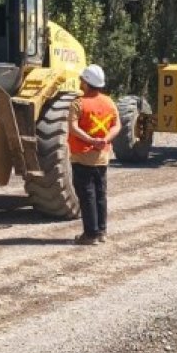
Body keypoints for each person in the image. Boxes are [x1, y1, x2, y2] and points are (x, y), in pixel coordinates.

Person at [68, 64, 121, 245]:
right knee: (100, 194)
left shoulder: (78, 103)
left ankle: (90, 235)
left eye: (82, 79)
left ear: (87, 82)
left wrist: (91, 141)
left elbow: (73, 128)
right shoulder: (109, 102)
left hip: (83, 156)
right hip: (102, 156)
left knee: (86, 194)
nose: (80, 81)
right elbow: (117, 125)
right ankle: (101, 232)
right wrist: (105, 140)